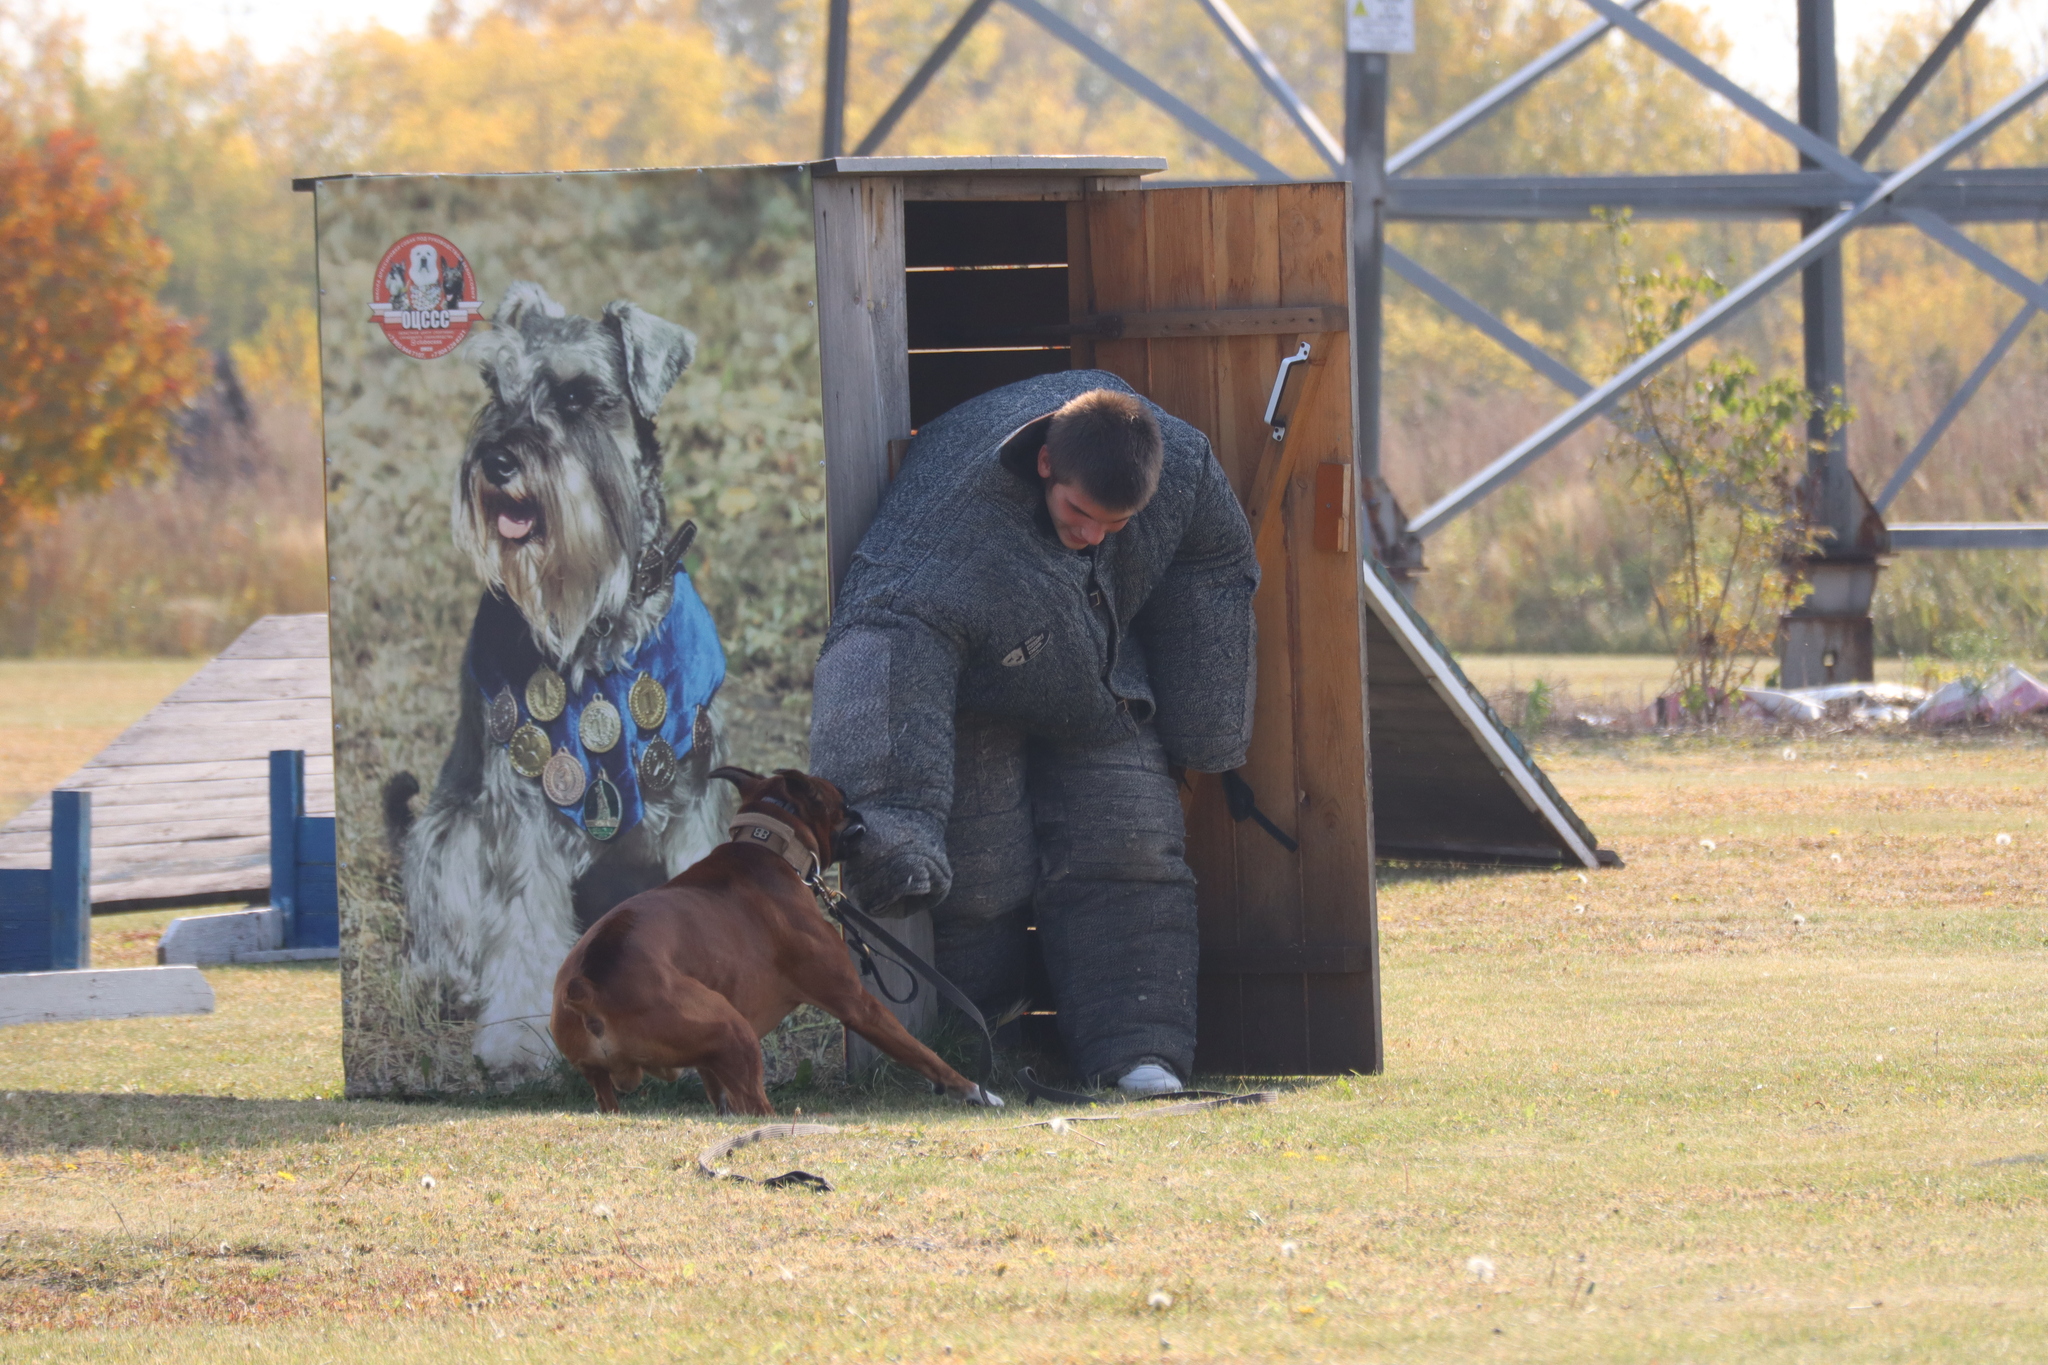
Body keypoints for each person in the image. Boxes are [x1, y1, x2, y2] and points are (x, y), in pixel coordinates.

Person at [809, 371, 1257, 1094]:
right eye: (1080, 513)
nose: (1091, 536)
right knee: (982, 882)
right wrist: (892, 821)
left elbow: (1216, 561)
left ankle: (1141, 1054)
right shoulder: (946, 536)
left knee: (1134, 850)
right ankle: (973, 1048)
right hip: (969, 691)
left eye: (1114, 526)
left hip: (1101, 681)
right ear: (1045, 463)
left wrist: (1211, 720)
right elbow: (880, 643)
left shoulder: (1183, 465)